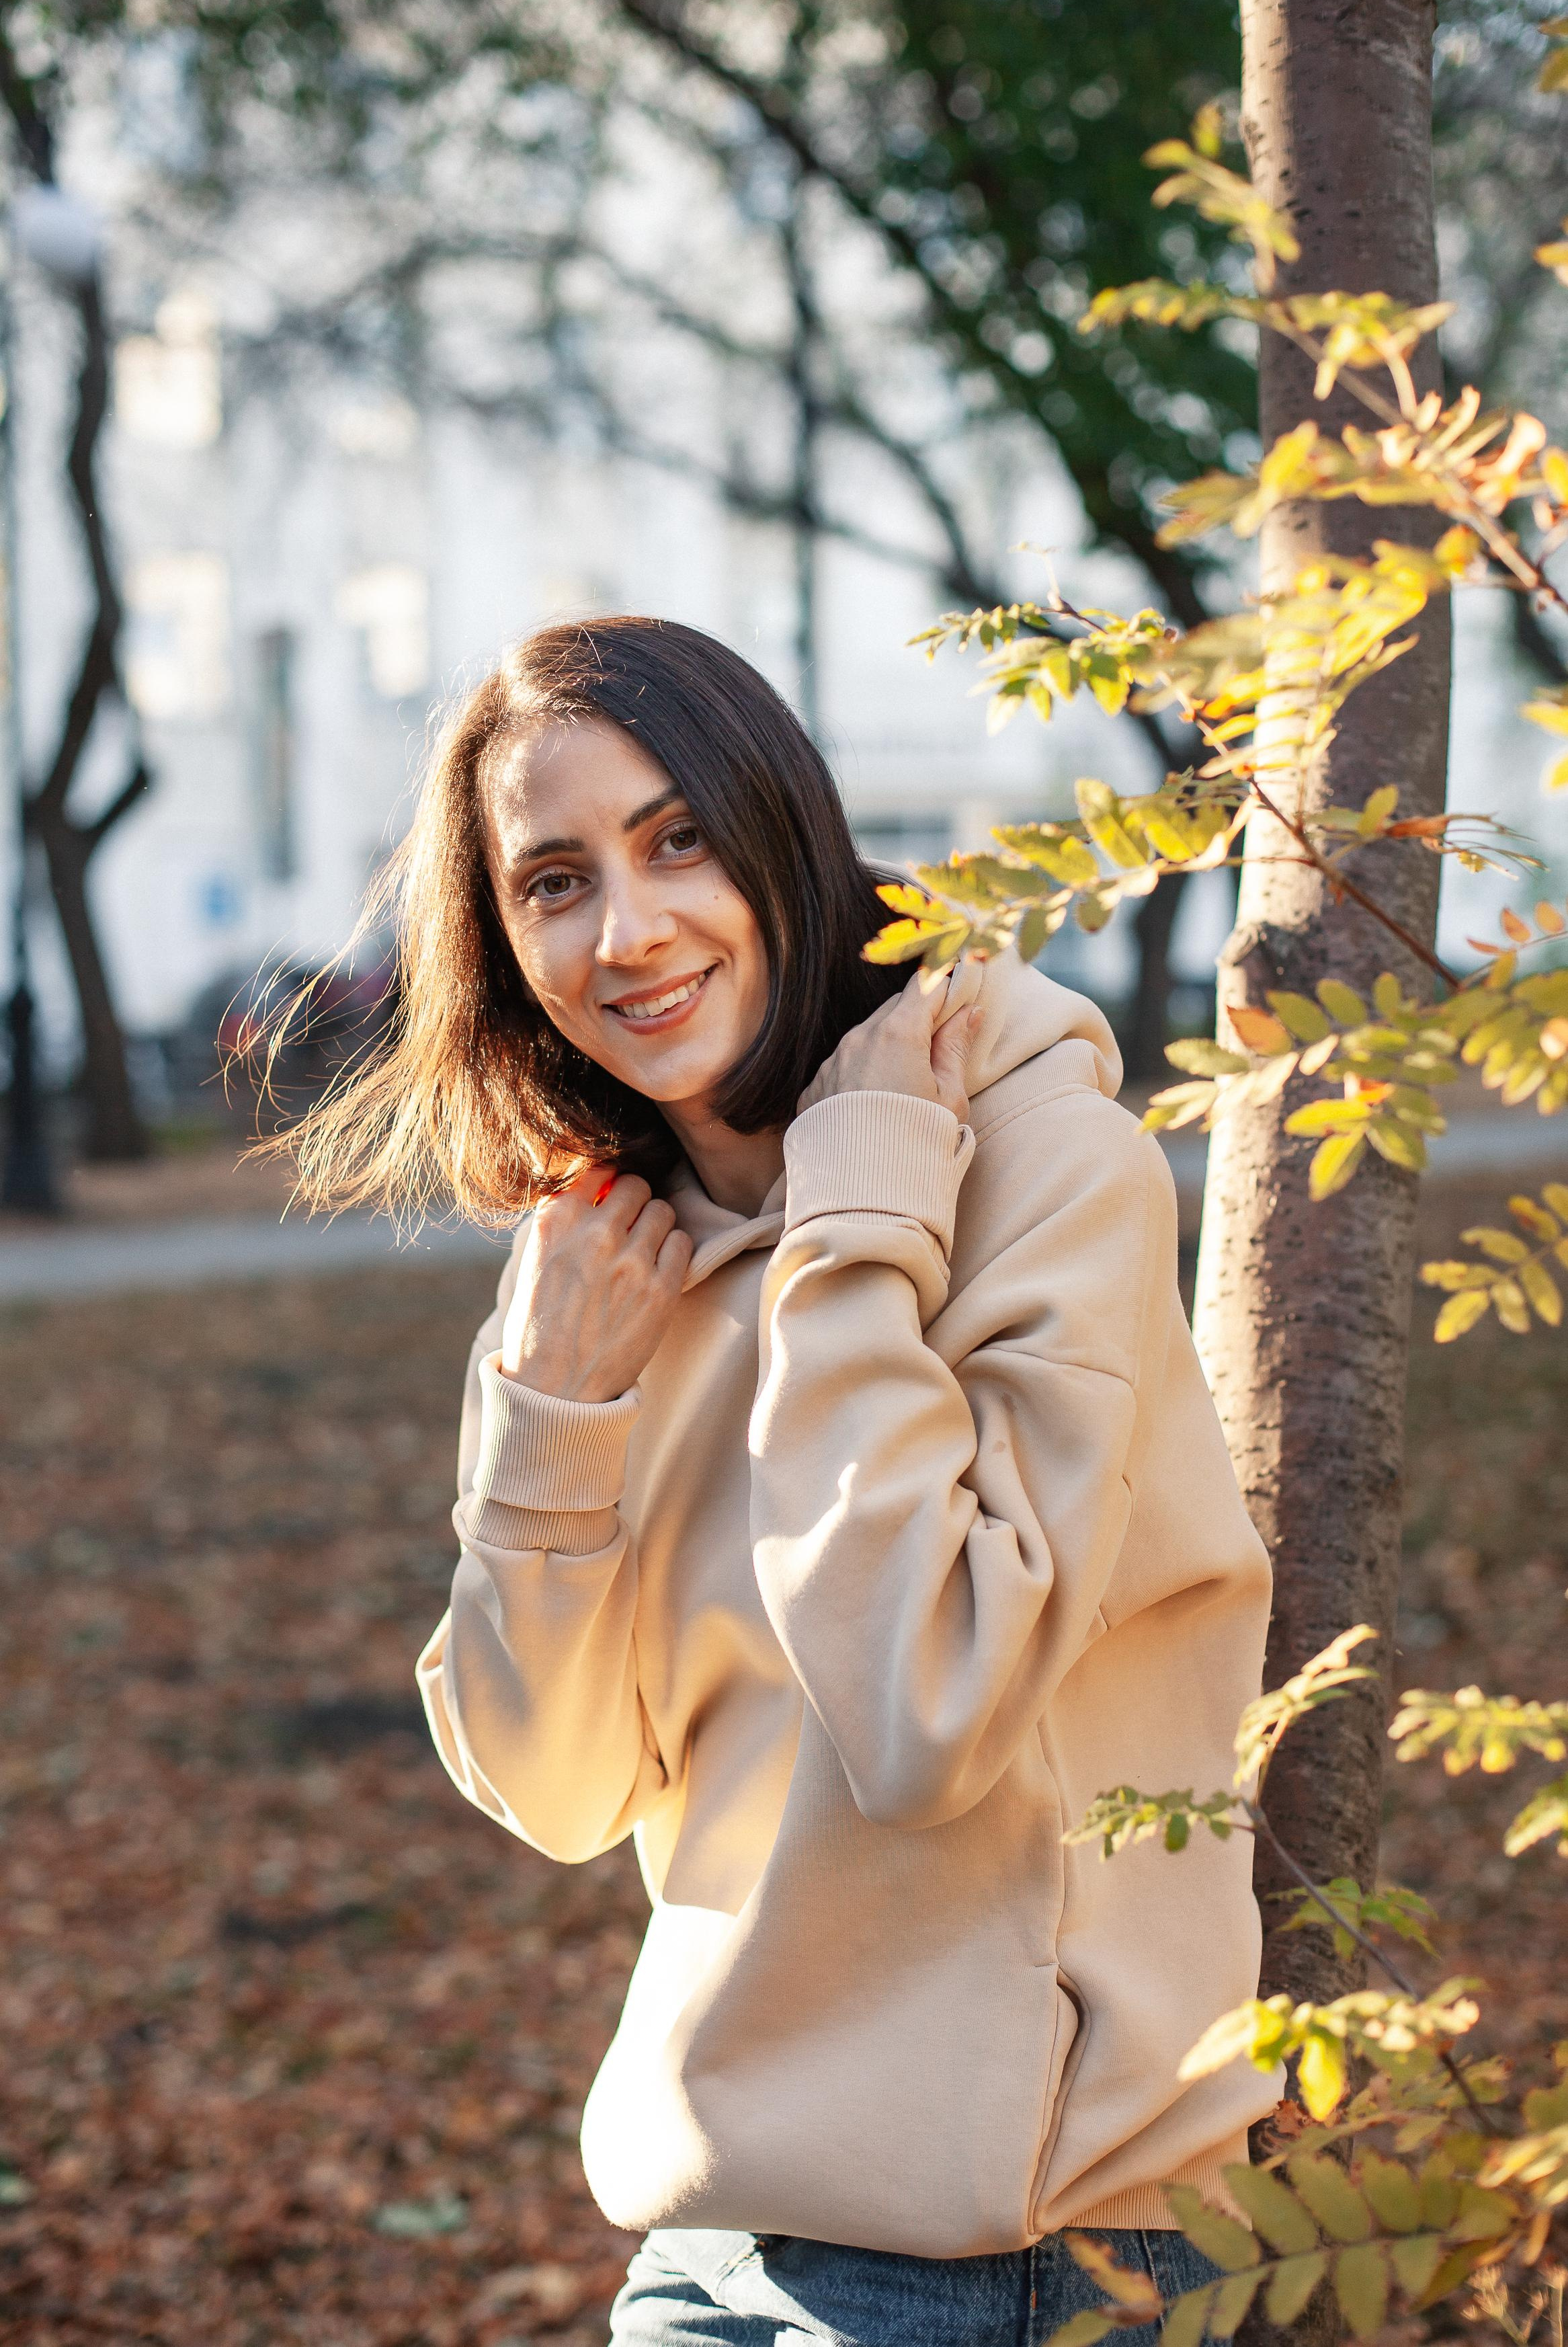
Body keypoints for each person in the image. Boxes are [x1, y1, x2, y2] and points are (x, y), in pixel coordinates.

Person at [281, 615, 1277, 2347]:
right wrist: (551, 1415)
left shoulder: (1038, 1161)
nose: (631, 929)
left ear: (784, 831)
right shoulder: (609, 1261)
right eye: (555, 882)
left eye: (681, 840)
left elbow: (929, 1711)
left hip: (1027, 2239)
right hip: (717, 2219)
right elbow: (558, 1785)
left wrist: (857, 1231)